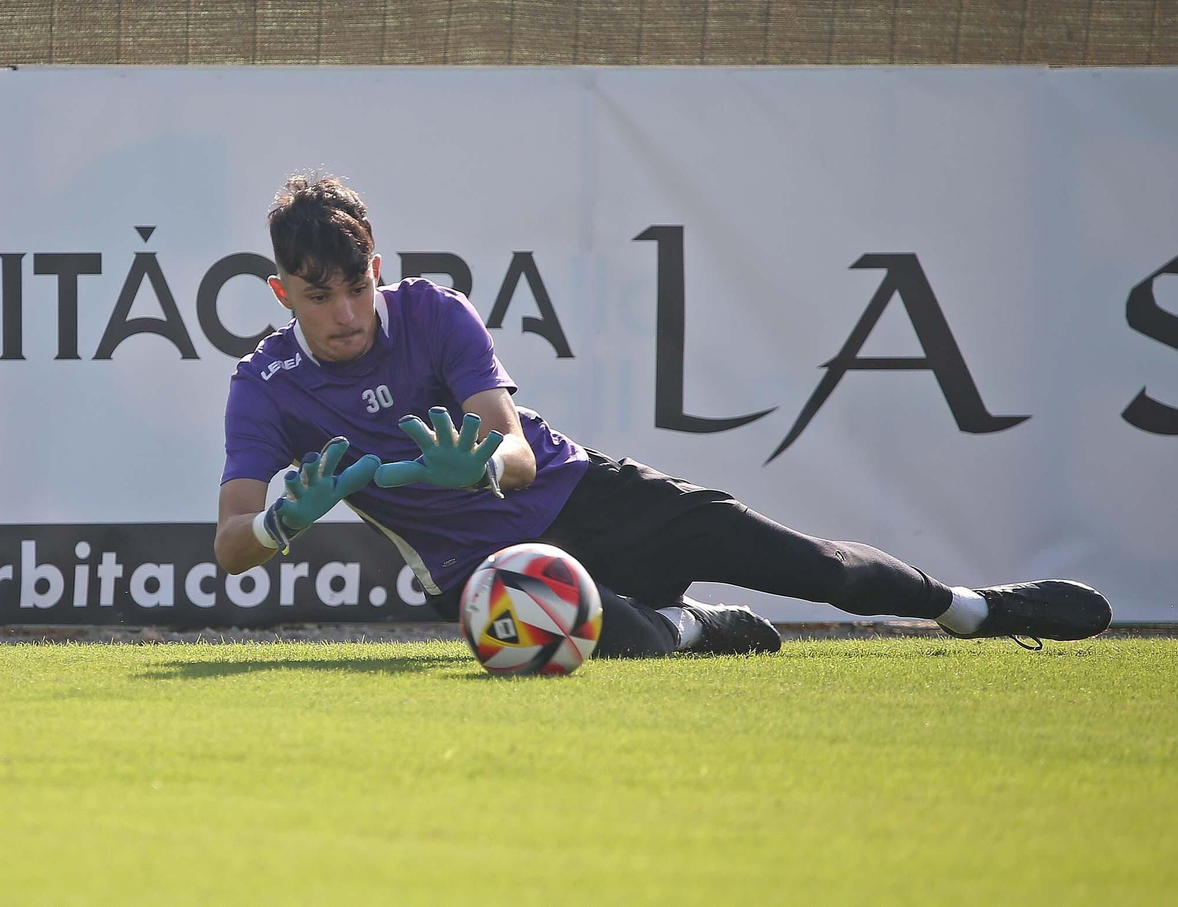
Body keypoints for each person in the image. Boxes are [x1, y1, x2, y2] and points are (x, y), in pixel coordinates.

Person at [214, 175, 1112, 656]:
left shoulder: (434, 312)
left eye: (357, 286)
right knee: (608, 633)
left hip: (587, 495)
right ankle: (699, 626)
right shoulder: (264, 383)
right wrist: (283, 522)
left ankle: (970, 610)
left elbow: (518, 453)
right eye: (319, 294)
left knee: (818, 569)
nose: (345, 314)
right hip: (484, 566)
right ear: (280, 290)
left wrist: (482, 464)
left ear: (380, 268)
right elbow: (231, 543)